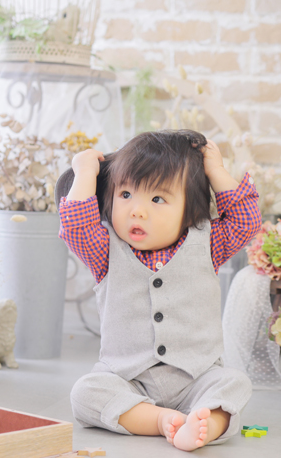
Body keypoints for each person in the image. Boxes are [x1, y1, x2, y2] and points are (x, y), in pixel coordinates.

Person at [58, 129, 261, 451]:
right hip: (127, 378)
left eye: (157, 199)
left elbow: (245, 221)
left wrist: (216, 171)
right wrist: (84, 172)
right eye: (126, 194)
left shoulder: (209, 243)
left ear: (190, 209)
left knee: (234, 383)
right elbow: (75, 226)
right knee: (85, 392)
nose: (137, 211)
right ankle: (159, 419)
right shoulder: (104, 250)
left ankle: (205, 423)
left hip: (197, 377)